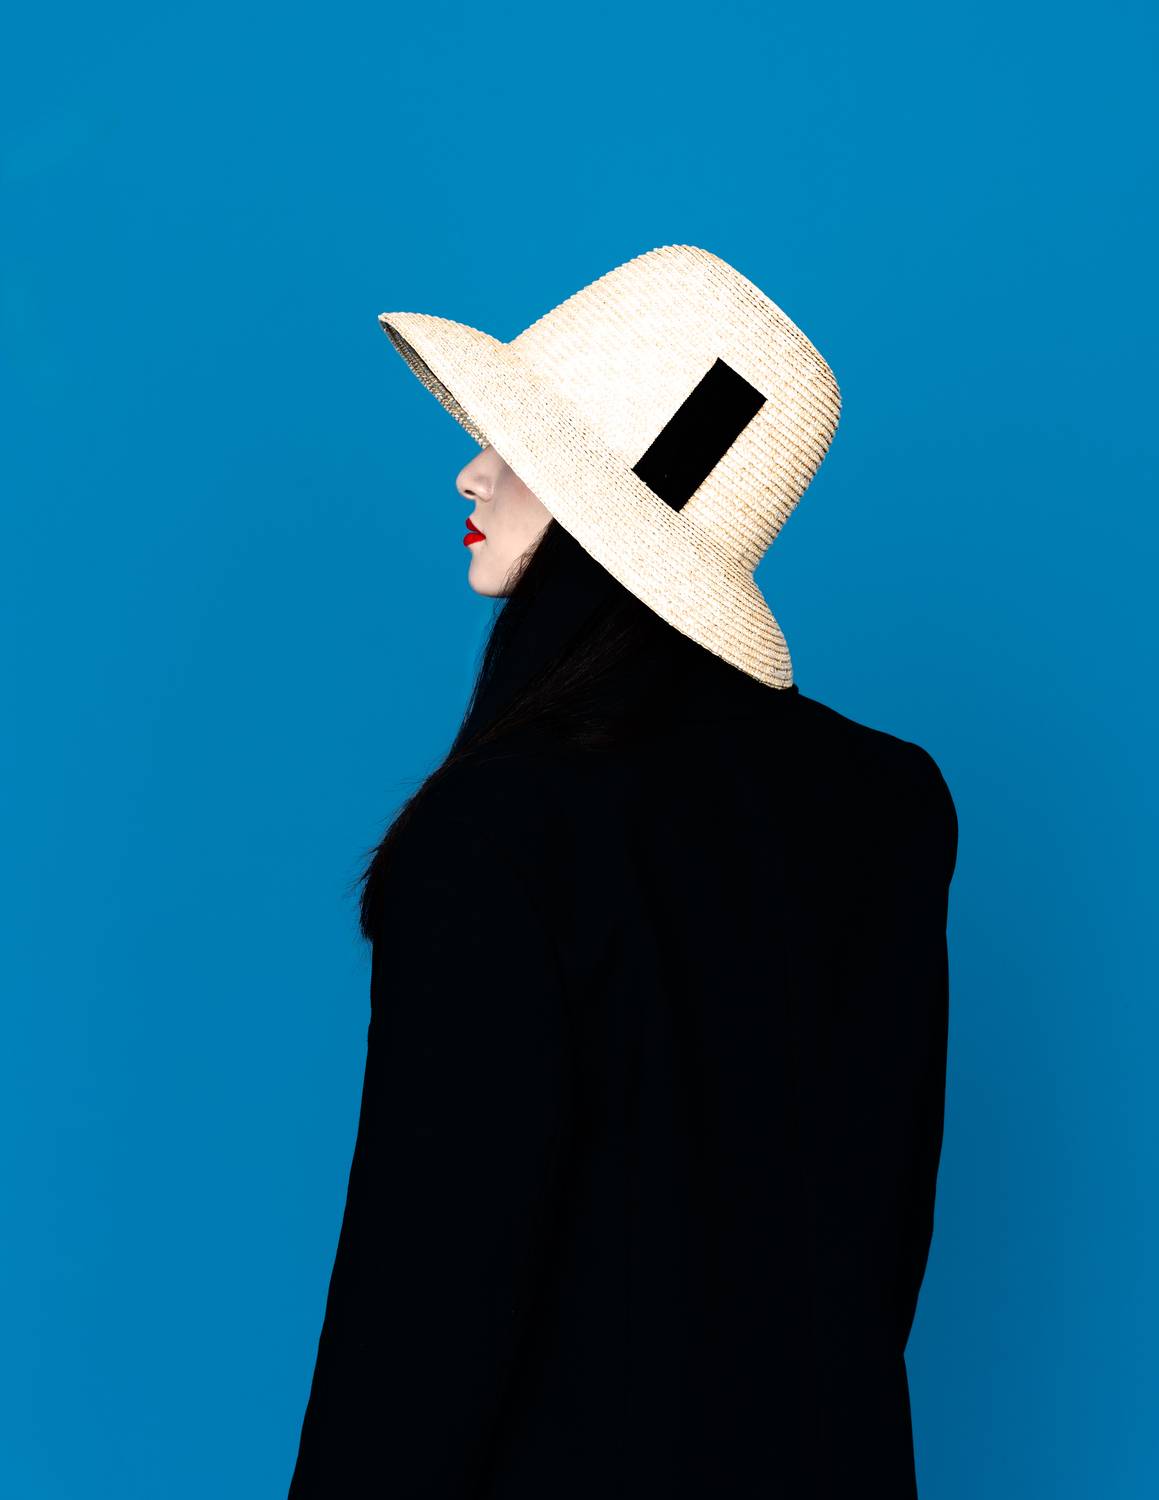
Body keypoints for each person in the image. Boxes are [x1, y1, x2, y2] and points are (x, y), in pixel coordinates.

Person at [286, 245, 959, 1498]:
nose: (470, 470)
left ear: (598, 499)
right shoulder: (891, 803)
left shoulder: (496, 829)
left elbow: (423, 1310)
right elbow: (875, 1249)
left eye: (515, 442)